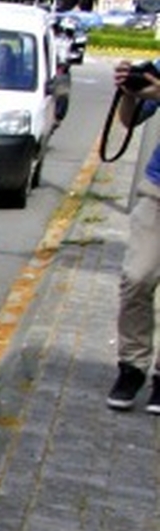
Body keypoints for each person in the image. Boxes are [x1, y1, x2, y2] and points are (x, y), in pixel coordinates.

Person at [109, 61, 160, 410]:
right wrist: (128, 92)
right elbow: (130, 119)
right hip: (157, 190)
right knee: (136, 278)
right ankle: (132, 366)